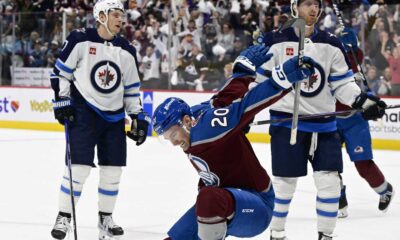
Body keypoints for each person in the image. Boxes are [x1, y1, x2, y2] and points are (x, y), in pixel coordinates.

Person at [152, 44, 316, 240]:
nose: (173, 142)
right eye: (168, 137)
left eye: (173, 135)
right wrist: (243, 70)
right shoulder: (195, 115)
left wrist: (280, 81)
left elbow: (246, 106)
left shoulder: (207, 130)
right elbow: (223, 99)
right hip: (227, 200)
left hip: (256, 204)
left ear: (186, 121)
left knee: (208, 198)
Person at [255, 0, 387, 239]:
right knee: (284, 184)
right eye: (307, 4)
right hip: (287, 123)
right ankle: (276, 233)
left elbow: (343, 85)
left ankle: (325, 235)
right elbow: (259, 84)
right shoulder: (274, 41)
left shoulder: (331, 43)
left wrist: (362, 101)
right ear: (295, 7)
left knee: (330, 183)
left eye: (316, 4)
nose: (313, 9)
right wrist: (245, 113)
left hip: (325, 125)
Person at [49, 0, 150, 239]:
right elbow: (60, 73)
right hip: (83, 112)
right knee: (78, 168)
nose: (120, 20)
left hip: (114, 118)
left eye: (122, 16)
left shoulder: (127, 49)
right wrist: (62, 100)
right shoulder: (80, 39)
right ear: (101, 15)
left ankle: (105, 219)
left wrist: (137, 115)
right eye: (115, 14)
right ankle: (64, 217)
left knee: (113, 171)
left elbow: (132, 89)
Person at [335, 27, 394, 218]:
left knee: (363, 165)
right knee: (328, 164)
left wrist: (371, 102)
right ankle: (338, 198)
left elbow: (355, 54)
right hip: (331, 121)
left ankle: (385, 190)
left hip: (355, 121)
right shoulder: (327, 60)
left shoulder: (353, 59)